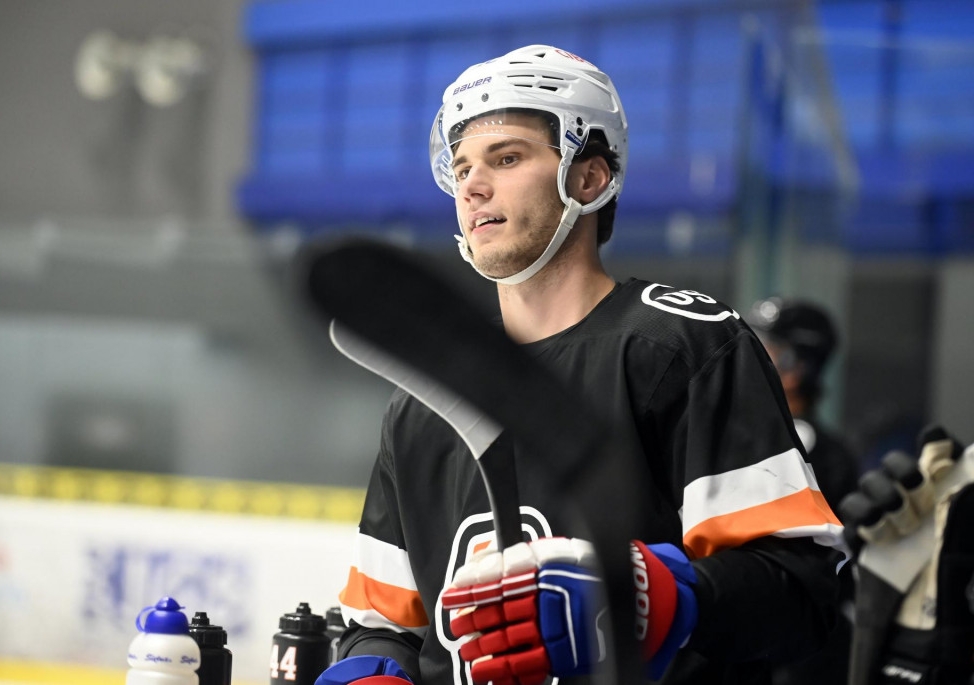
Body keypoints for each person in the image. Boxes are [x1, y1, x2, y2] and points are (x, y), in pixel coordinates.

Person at [318, 45, 847, 685]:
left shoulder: (681, 346)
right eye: (461, 168)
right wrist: (371, 669)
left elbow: (801, 595)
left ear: (589, 179)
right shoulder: (427, 395)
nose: (473, 185)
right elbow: (383, 623)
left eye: (507, 158)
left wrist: (661, 596)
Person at [745, 298, 860, 685]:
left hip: (791, 658)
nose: (747, 362)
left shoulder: (799, 445)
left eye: (765, 351)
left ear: (796, 368)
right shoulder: (767, 436)